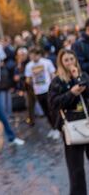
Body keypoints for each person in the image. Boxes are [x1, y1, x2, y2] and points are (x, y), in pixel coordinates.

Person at [48, 49, 89, 195]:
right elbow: (53, 103)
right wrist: (71, 93)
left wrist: (79, 79)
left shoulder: (83, 75)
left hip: (87, 123)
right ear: (61, 62)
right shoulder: (57, 81)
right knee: (76, 170)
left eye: (72, 58)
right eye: (66, 60)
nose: (70, 62)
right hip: (71, 128)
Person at [25, 47, 58, 139]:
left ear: (39, 54)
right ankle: (53, 128)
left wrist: (54, 88)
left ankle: (57, 128)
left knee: (52, 110)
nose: (32, 57)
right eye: (31, 55)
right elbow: (28, 79)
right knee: (45, 111)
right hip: (37, 92)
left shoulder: (47, 62)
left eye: (34, 55)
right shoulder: (29, 65)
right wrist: (28, 81)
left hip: (48, 90)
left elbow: (53, 75)